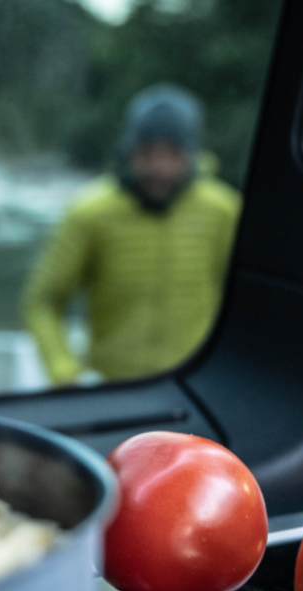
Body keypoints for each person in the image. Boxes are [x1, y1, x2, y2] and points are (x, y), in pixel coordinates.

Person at [22, 84, 242, 385]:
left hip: (194, 385)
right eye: (147, 153)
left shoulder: (223, 210)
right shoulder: (90, 212)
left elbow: (249, 301)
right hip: (114, 388)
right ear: (129, 151)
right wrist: (64, 370)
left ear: (190, 154)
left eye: (172, 154)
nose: (159, 167)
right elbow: (44, 301)